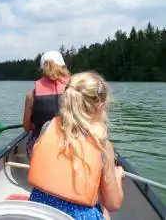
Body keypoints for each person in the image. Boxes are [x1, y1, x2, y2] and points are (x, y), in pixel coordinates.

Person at [27, 71, 124, 220]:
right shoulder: (103, 144)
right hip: (76, 216)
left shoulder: (47, 126)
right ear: (100, 107)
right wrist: (117, 176)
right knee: (106, 212)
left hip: (38, 212)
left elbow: (37, 159)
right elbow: (113, 203)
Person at [22, 50, 70, 159]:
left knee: (32, 137)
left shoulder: (31, 95)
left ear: (42, 70)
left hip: (41, 149)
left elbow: (26, 127)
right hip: (68, 146)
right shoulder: (75, 92)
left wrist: (34, 125)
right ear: (64, 67)